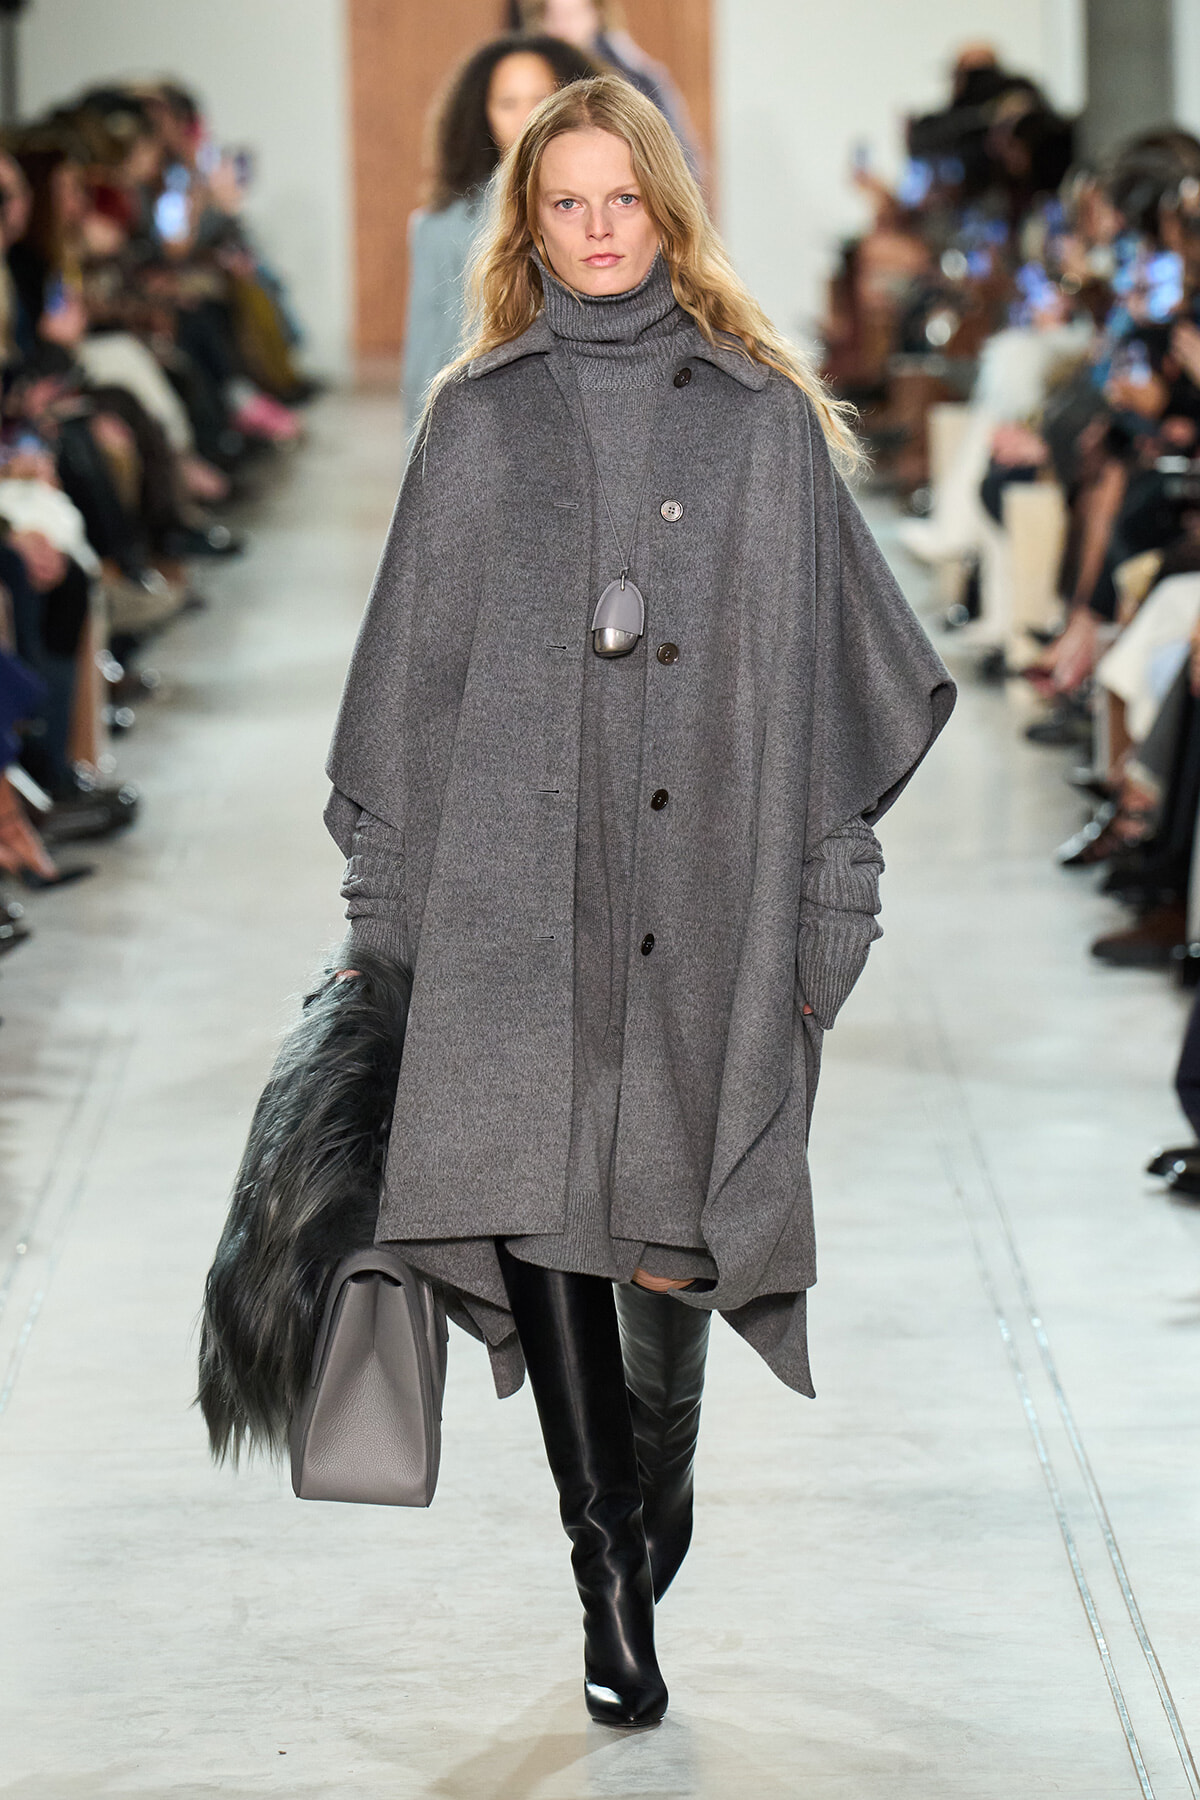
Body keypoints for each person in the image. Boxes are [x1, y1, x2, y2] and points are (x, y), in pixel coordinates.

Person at [326, 74, 953, 1727]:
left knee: (672, 1242)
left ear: (664, 209)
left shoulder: (760, 420)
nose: (598, 229)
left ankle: (653, 1498)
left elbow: (844, 690)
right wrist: (386, 936)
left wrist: (836, 905)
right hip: (511, 898)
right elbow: (408, 686)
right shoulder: (478, 419)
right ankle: (605, 1565)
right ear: (525, 227)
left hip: (712, 892)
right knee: (536, 1198)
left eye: (623, 198)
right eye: (564, 203)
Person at [401, 33, 598, 430]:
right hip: (491, 426)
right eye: (508, 103)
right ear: (481, 115)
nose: (528, 117)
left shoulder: (615, 209)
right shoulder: (440, 227)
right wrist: (421, 462)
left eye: (542, 99)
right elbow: (426, 358)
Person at [518, 0, 700, 173]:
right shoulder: (527, 75)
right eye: (553, 17)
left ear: (597, 14)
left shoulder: (632, 75)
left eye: (573, 14)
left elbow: (676, 155)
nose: (563, 27)